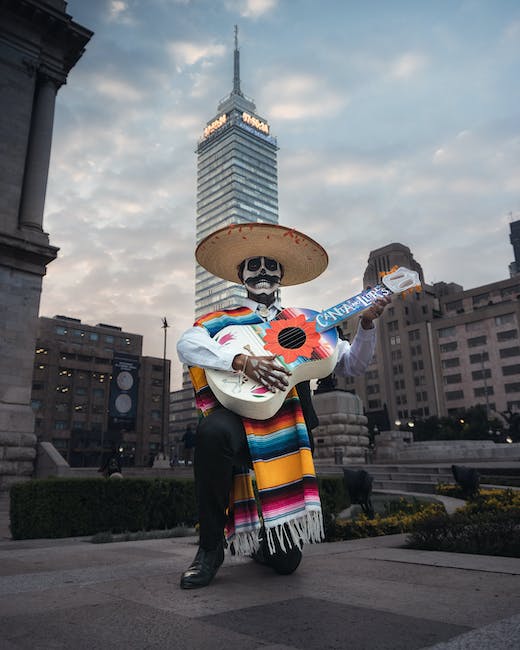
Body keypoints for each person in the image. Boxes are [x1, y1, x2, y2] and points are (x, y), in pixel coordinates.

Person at [176, 223, 390, 589]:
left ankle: (265, 542)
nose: (262, 271)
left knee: (286, 564)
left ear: (283, 276)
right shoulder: (218, 320)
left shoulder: (307, 322)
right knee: (212, 434)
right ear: (240, 275)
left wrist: (366, 325)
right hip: (237, 415)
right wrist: (241, 361)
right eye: (253, 264)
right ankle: (210, 549)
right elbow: (186, 344)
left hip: (286, 422)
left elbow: (352, 364)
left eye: (271, 265)